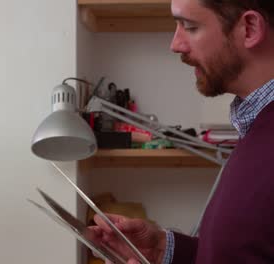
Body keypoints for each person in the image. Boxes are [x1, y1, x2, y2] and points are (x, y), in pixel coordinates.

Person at [89, 0, 274, 263]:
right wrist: (164, 250)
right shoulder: (255, 125)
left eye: (190, 26)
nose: (175, 44)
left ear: (250, 28)